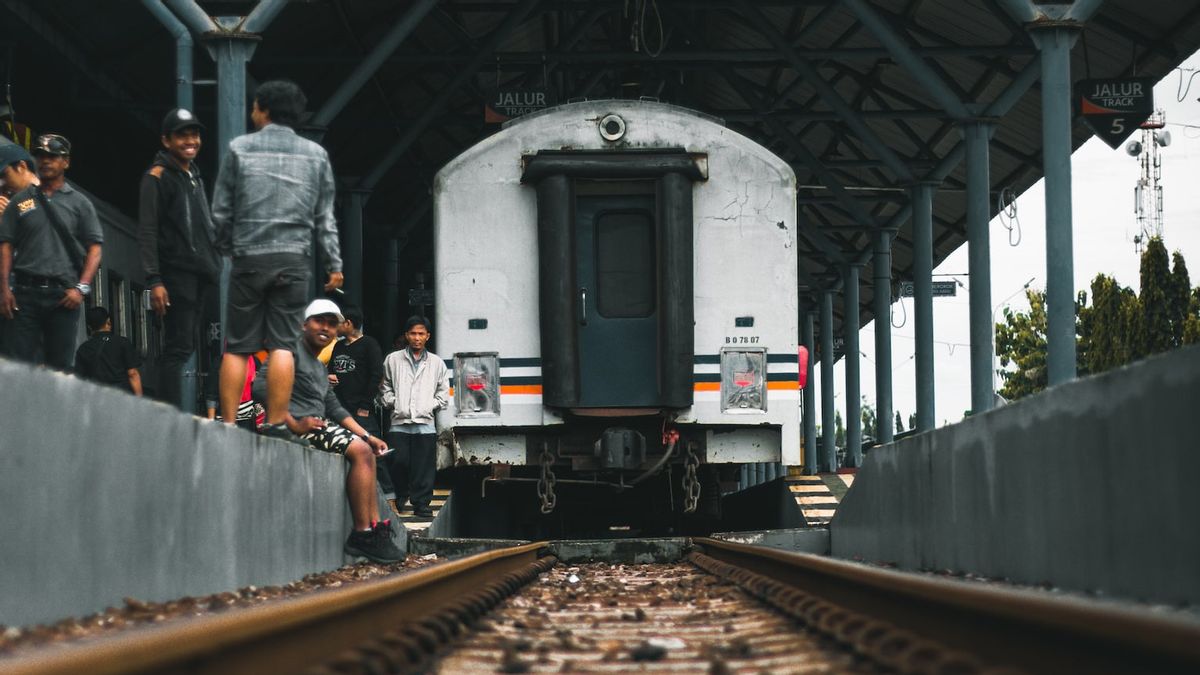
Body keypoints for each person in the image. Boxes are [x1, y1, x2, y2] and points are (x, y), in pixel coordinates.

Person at [211, 80, 344, 435]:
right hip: (293, 260)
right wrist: (334, 264)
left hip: (249, 258)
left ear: (264, 110)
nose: (252, 112)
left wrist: (226, 248)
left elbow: (222, 210)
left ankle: (226, 423)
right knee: (284, 345)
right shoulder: (315, 155)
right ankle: (275, 423)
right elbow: (325, 217)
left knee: (239, 346)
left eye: (254, 106)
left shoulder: (239, 148)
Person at [254, 299, 401, 563]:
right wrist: (293, 422)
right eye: (319, 321)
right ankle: (364, 533)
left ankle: (374, 531)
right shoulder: (288, 352)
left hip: (319, 424)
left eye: (332, 324)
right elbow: (260, 388)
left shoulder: (318, 366)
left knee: (365, 449)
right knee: (360, 451)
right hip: (298, 426)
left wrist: (368, 435)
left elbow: (334, 408)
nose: (326, 328)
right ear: (304, 324)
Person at [138, 108, 221, 411]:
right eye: (182, 134)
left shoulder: (193, 174)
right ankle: (168, 414)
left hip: (199, 274)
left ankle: (171, 411)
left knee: (185, 346)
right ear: (166, 140)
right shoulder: (157, 178)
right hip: (176, 273)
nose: (190, 140)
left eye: (194, 134)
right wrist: (154, 279)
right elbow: (147, 231)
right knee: (177, 348)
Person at [0, 137, 102, 370]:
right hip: (22, 296)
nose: (2, 183)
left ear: (22, 167)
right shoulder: (15, 205)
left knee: (55, 367)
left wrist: (81, 288)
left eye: (5, 175)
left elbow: (94, 249)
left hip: (59, 294)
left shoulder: (76, 203)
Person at [380, 316, 449, 518]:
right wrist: (394, 402)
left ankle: (421, 504)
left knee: (423, 466)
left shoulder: (437, 363)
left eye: (421, 334)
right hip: (399, 422)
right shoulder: (392, 359)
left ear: (428, 336)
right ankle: (400, 497)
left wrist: (428, 406)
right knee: (398, 462)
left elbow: (443, 393)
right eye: (413, 333)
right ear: (406, 335)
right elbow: (384, 387)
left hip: (425, 423)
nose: (416, 338)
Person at [328, 306, 388, 490]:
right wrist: (329, 376)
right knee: (344, 450)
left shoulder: (369, 344)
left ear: (348, 323)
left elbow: (377, 376)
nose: (334, 327)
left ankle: (389, 495)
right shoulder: (338, 346)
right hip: (340, 409)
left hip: (361, 410)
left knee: (375, 450)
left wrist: (365, 406)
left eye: (337, 323)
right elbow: (331, 369)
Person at [74, 306, 142, 395]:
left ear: (89, 327)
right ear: (108, 322)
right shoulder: (122, 342)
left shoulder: (84, 348)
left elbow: (80, 381)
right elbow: (133, 374)